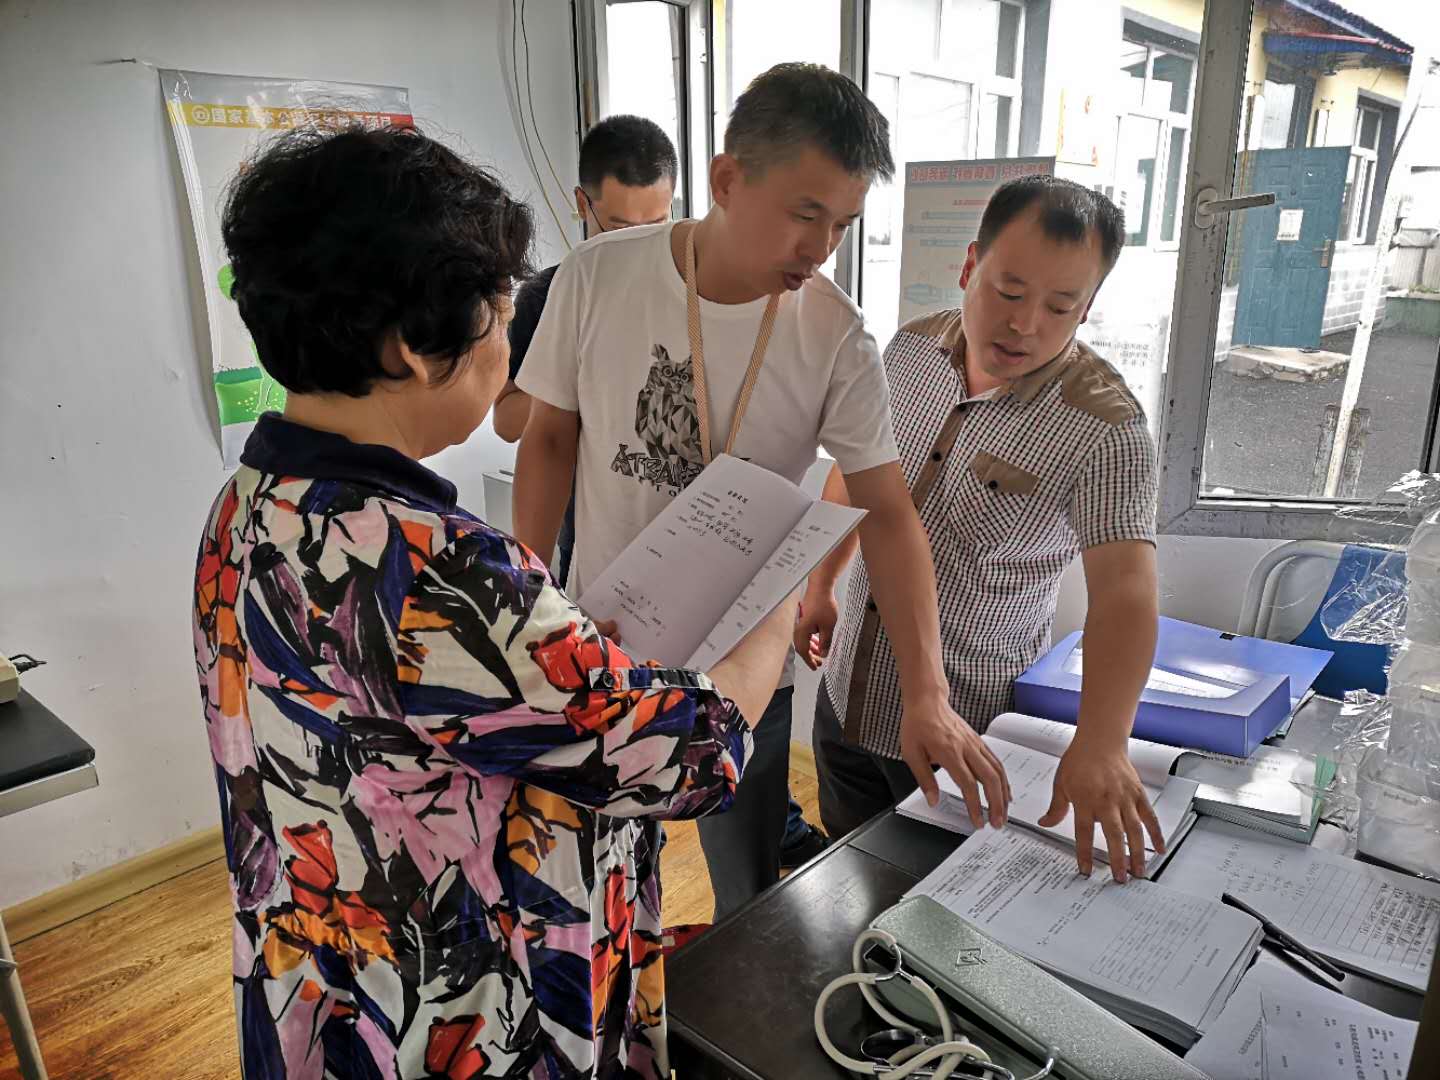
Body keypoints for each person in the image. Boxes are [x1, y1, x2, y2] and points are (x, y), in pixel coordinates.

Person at [193, 123, 796, 1079]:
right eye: (500, 314)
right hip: (468, 1020)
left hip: (324, 986)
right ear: (413, 347)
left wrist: (553, 657)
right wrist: (777, 597)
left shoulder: (248, 505)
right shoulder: (441, 568)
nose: (510, 342)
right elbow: (688, 758)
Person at [512, 63, 1013, 921]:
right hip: (602, 639)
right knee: (588, 873)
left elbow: (889, 514)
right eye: (804, 214)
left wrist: (927, 692)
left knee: (746, 888)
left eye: (843, 224)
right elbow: (550, 437)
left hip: (746, 666)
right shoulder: (597, 276)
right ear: (726, 179)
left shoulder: (835, 335)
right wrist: (533, 601)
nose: (821, 248)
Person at [797, 175, 1165, 883]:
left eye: (1059, 306)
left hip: (967, 734)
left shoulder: (1105, 428)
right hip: (851, 693)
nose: (1025, 324)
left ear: (1087, 308)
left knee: (937, 907)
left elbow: (1126, 593)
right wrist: (823, 582)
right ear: (970, 266)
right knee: (845, 880)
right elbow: (859, 473)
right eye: (1009, 291)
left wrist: (1102, 741)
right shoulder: (908, 350)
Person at [496, 113, 827, 872]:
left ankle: (773, 823)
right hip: (601, 545)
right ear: (583, 205)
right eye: (621, 224)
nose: (642, 239)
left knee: (730, 754)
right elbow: (517, 423)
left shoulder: (710, 285)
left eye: (658, 219)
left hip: (709, 554)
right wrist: (568, 391)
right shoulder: (561, 289)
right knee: (622, 754)